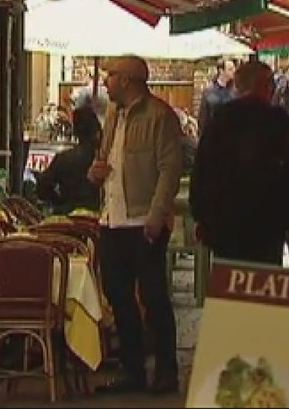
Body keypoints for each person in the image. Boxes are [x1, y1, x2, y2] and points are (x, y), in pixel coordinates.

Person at [87, 55, 184, 395]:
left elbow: (169, 169)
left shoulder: (160, 117)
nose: (106, 81)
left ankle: (166, 370)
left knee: (155, 297)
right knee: (119, 295)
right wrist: (95, 174)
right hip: (112, 220)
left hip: (143, 221)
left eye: (110, 75)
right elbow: (105, 160)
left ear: (127, 80)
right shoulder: (114, 116)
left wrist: (157, 215)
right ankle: (132, 369)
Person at [191, 60, 289, 266]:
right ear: (265, 86)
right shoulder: (276, 120)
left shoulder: (221, 119)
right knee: (260, 287)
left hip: (225, 221)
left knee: (228, 282)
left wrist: (202, 216)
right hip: (267, 222)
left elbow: (203, 169)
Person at [34, 106, 102, 215]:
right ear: (97, 131)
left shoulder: (63, 158)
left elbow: (42, 188)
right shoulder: (104, 158)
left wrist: (59, 200)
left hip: (68, 214)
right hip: (99, 215)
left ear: (75, 131)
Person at [198, 57, 237, 131]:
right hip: (214, 133)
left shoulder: (235, 91)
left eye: (233, 68)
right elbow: (203, 117)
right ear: (221, 71)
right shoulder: (209, 91)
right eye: (230, 69)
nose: (234, 71)